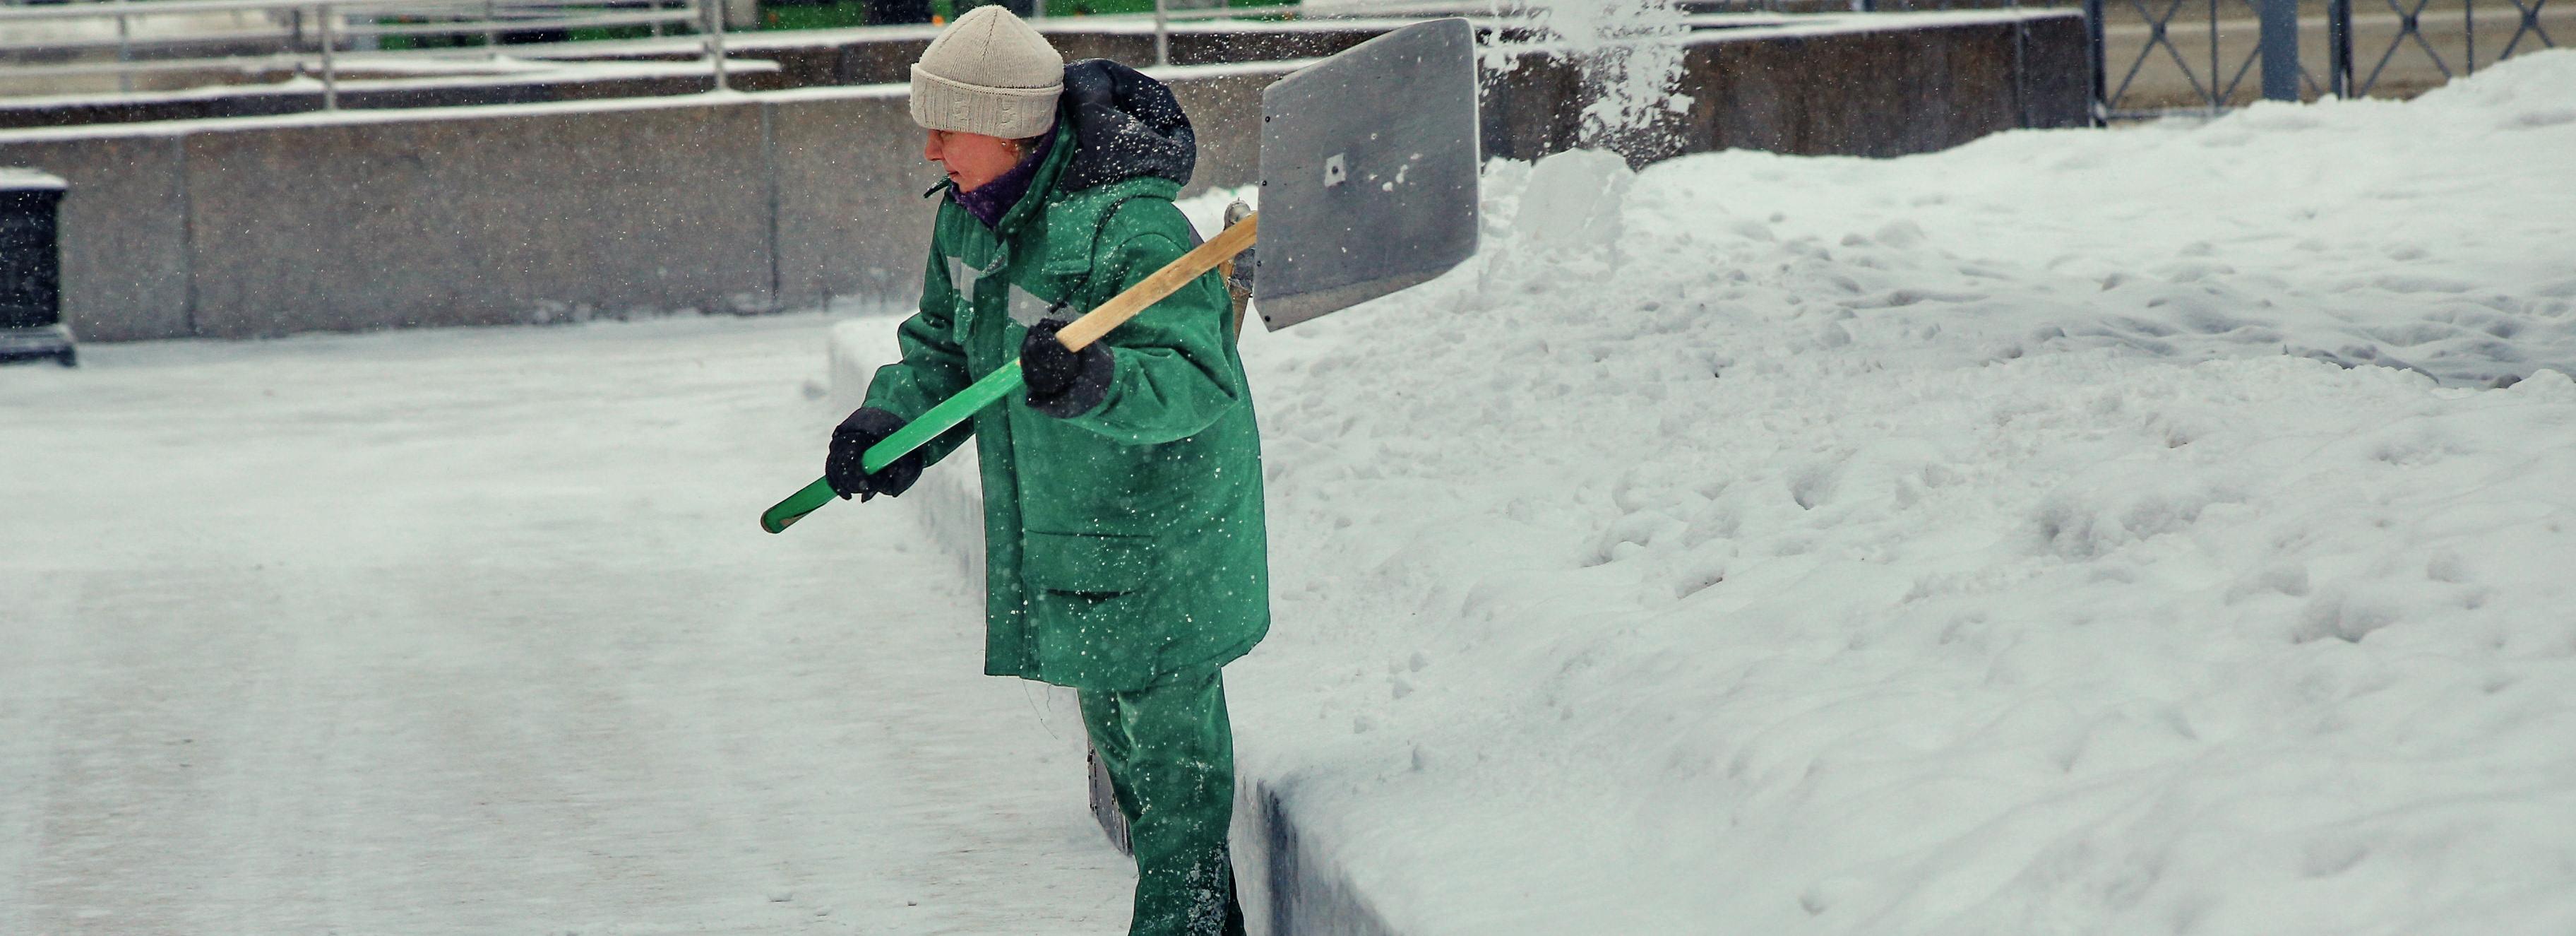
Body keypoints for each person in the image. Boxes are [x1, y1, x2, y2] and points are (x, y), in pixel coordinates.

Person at [821, 8, 1265, 935]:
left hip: (1159, 540)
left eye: (949, 127)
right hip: (1073, 536)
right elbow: (943, 348)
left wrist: (1097, 376)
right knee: (1139, 783)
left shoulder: (1132, 229)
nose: (933, 148)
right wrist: (887, 425)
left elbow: (1199, 379)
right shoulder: (969, 225)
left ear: (1012, 127)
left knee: (1179, 795)